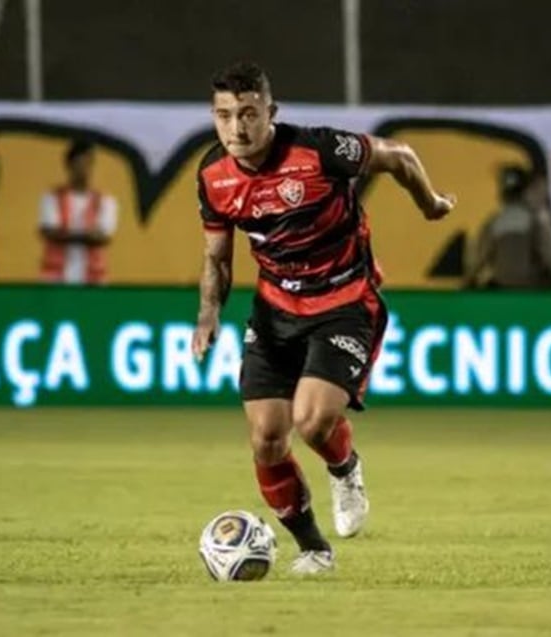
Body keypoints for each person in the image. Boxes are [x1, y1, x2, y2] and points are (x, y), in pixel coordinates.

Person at [191, 62, 456, 575]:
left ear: (272, 112)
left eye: (248, 114)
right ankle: (315, 550)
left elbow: (398, 155)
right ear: (214, 117)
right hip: (274, 311)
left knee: (313, 421)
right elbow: (217, 257)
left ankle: (345, 466)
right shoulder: (212, 176)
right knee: (267, 438)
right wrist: (207, 313)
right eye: (225, 116)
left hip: (344, 302)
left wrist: (430, 205)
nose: (237, 129)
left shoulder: (319, 151)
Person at [465, 165, 551, 289]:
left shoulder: (494, 222)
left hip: (502, 285)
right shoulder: (534, 219)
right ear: (524, 191)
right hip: (531, 286)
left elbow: (479, 258)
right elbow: (549, 256)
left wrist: (469, 280)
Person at [39, 141, 118, 285]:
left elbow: (103, 238)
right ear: (68, 166)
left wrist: (65, 234)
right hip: (56, 277)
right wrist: (87, 236)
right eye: (79, 164)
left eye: (88, 164)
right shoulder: (51, 198)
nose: (83, 169)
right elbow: (49, 233)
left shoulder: (106, 201)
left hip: (93, 278)